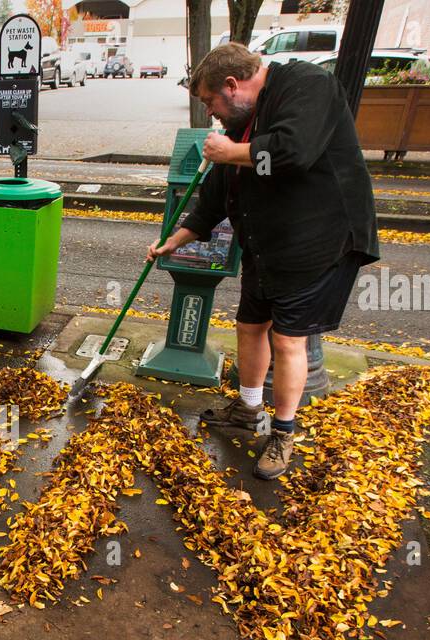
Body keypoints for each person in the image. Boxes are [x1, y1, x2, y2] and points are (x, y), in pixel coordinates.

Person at [147, 43, 379, 480]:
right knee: (250, 326)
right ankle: (249, 408)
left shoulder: (309, 86)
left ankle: (284, 432)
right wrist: (174, 241)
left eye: (210, 102)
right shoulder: (243, 119)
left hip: (315, 242)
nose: (212, 115)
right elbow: (217, 193)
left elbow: (294, 151)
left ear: (232, 86)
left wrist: (229, 152)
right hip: (265, 242)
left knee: (289, 340)